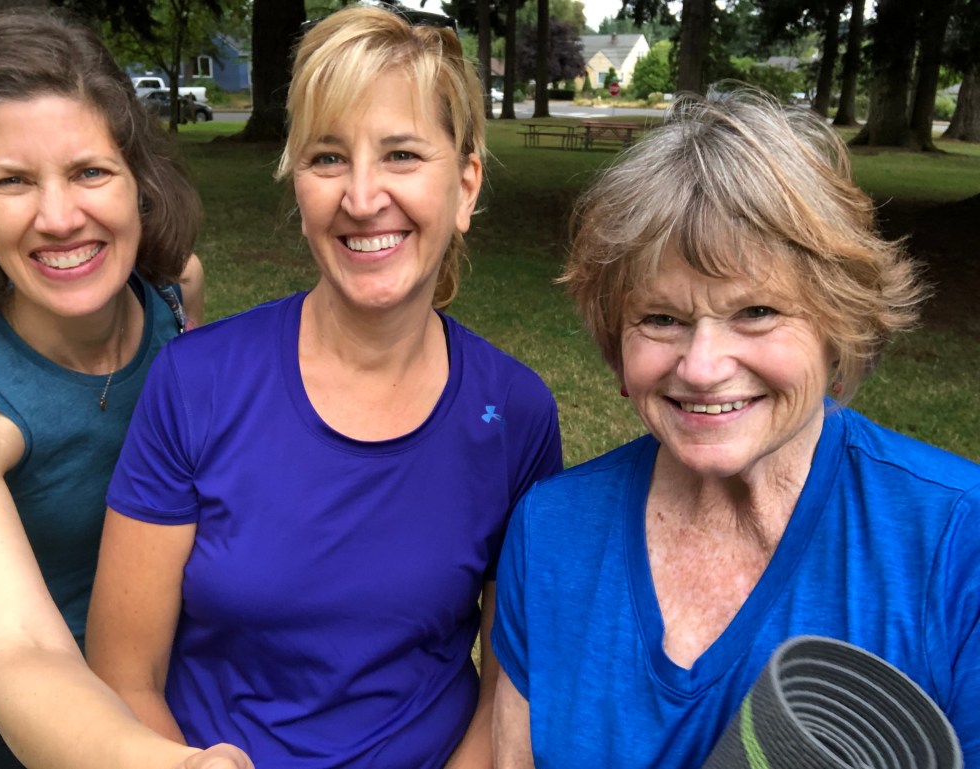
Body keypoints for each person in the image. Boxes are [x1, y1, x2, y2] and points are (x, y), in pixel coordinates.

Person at [86, 5, 562, 768]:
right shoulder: (197, 383)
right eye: (328, 158)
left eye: (403, 154)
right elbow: (123, 673)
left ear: (465, 185)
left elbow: (507, 694)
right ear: (298, 183)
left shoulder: (517, 416)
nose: (362, 196)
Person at [491, 89, 980, 767]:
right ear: (617, 343)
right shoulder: (551, 532)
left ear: (839, 325)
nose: (703, 366)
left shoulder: (956, 544)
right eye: (661, 318)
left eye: (755, 310)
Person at [0, 10, 252, 769]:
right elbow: (19, 649)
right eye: (14, 181)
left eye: (89, 171)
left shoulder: (175, 294)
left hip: (167, 677)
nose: (59, 218)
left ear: (138, 182)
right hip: (5, 728)